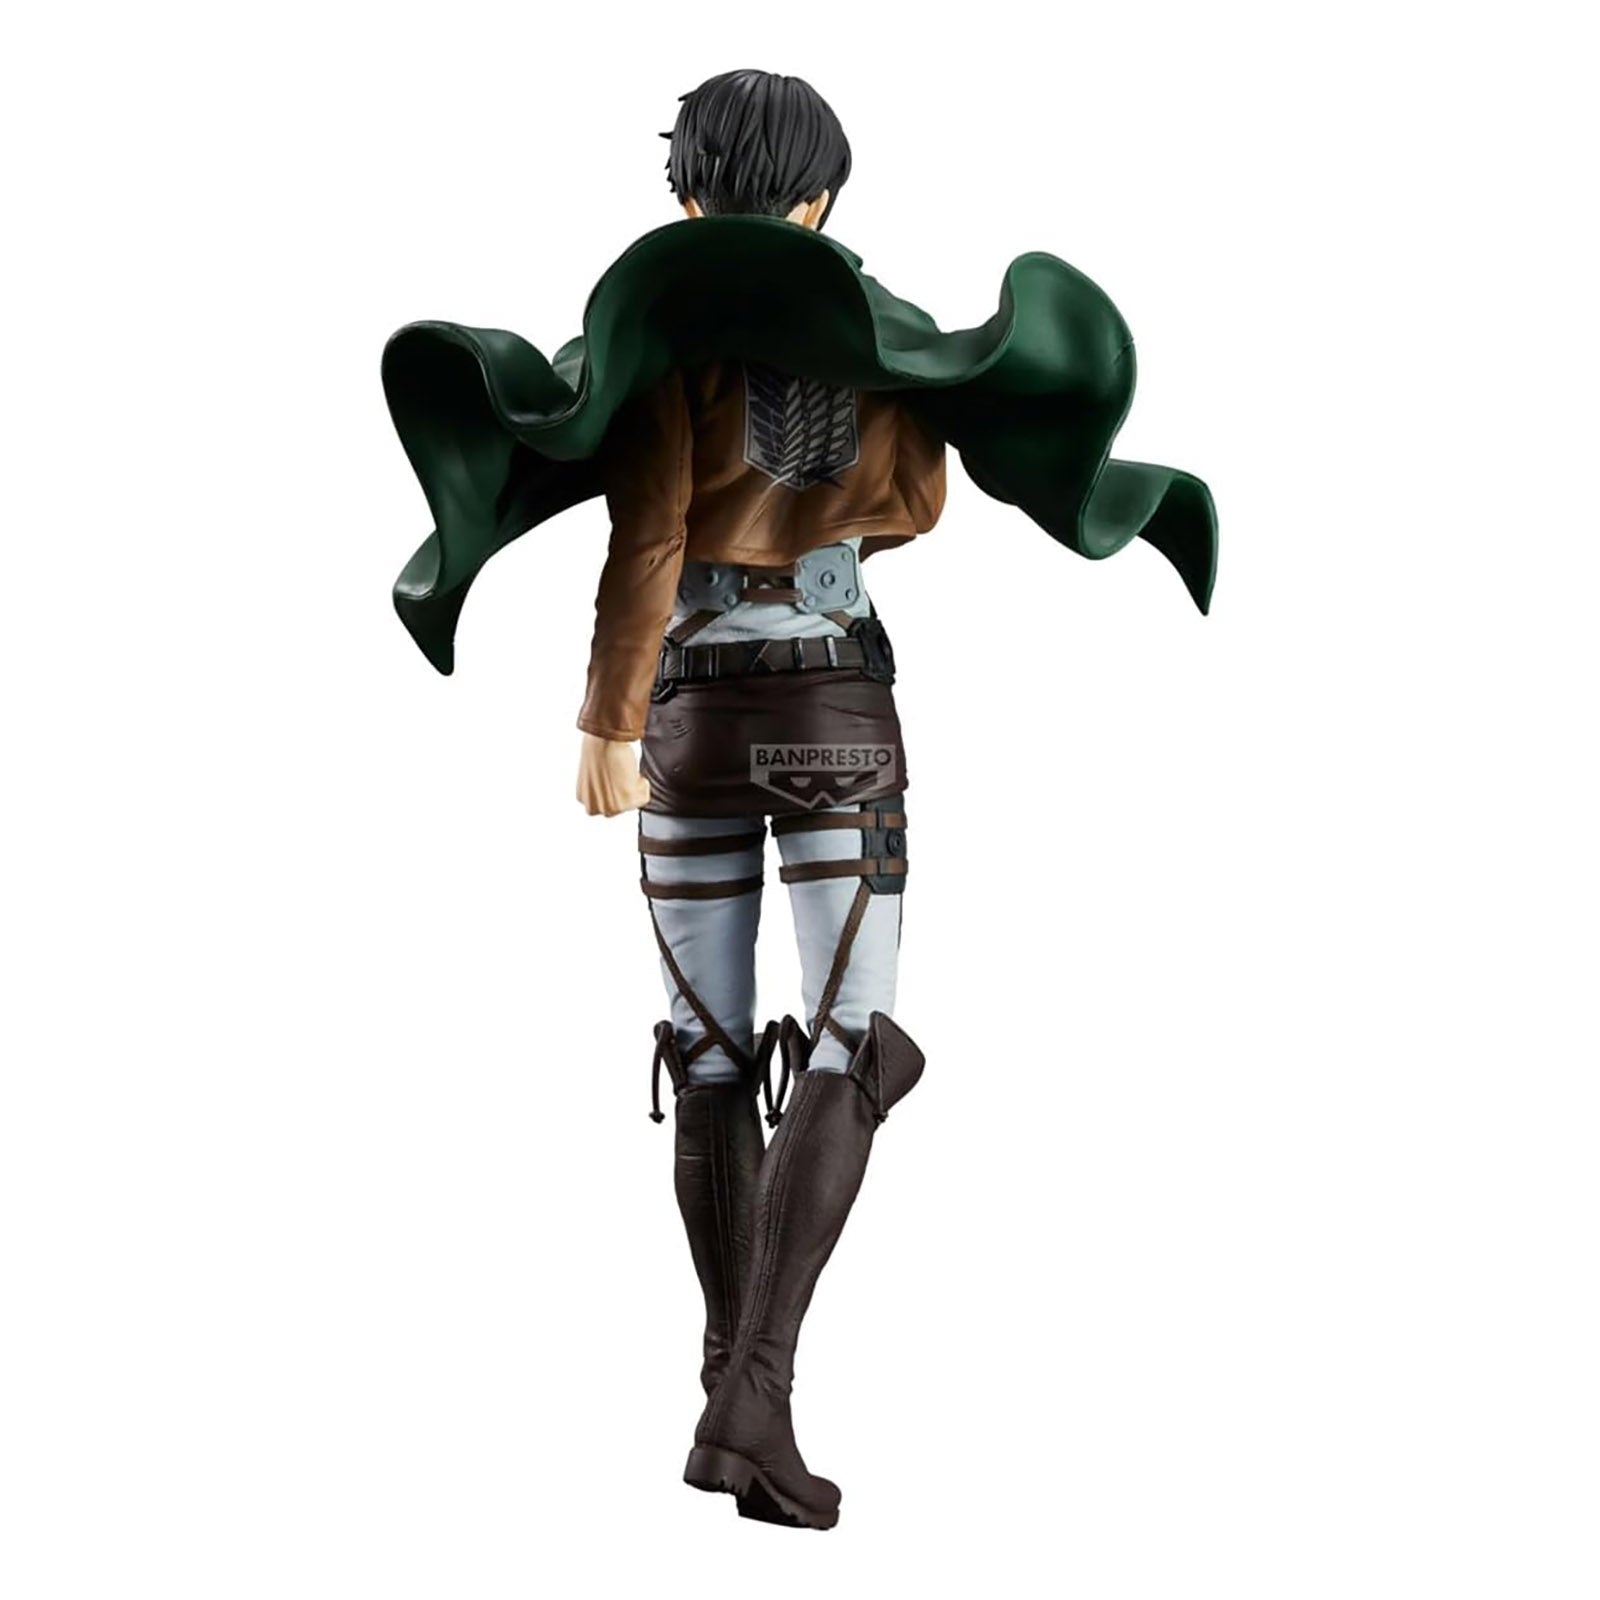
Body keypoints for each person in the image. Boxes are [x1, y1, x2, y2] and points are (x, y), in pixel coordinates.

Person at [381, 67, 1216, 1530]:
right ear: (823, 200)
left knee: (708, 1055)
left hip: (687, 716)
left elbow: (648, 538)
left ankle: (731, 1393)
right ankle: (753, 1395)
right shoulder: (891, 343)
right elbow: (922, 501)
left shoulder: (660, 344)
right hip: (837, 704)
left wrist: (608, 720)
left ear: (685, 197)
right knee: (851, 1042)